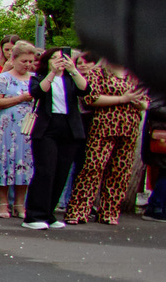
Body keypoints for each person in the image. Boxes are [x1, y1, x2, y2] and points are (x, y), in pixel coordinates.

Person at [69, 57, 147, 226]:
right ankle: (78, 210)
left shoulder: (134, 76)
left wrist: (138, 101)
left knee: (120, 171)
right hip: (104, 126)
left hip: (129, 127)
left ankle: (109, 212)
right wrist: (123, 98)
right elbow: (91, 98)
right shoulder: (98, 73)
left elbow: (146, 103)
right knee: (92, 168)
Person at [22, 46, 89, 229]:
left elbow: (85, 89)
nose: (60, 61)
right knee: (45, 171)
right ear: (48, 61)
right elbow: (38, 92)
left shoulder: (71, 79)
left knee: (61, 171)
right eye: (55, 58)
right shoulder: (40, 78)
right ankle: (34, 216)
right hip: (47, 128)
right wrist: (52, 73)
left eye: (63, 58)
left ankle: (49, 214)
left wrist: (73, 69)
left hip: (69, 127)